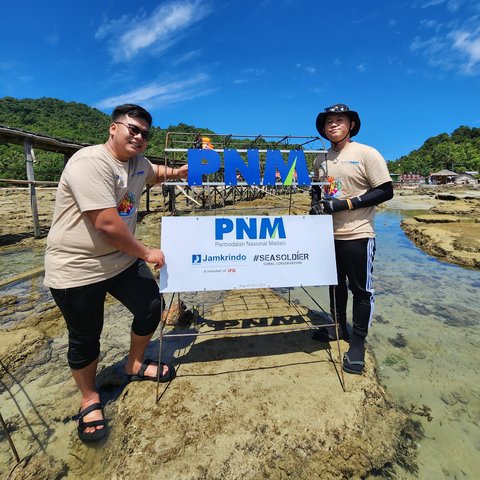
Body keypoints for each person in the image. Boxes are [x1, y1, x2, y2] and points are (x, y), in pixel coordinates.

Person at [44, 104, 188, 442]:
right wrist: (147, 252)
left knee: (151, 305)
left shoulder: (138, 162)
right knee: (85, 335)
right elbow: (107, 223)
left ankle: (134, 364)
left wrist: (178, 173)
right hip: (77, 266)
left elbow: (155, 172)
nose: (139, 137)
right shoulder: (90, 162)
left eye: (145, 133)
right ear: (113, 128)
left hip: (119, 261)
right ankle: (89, 398)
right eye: (132, 129)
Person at [310, 104, 393, 375]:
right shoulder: (319, 159)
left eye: (339, 120)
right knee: (335, 285)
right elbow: (316, 192)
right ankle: (337, 327)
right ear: (323, 129)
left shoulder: (367, 153)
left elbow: (385, 191)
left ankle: (357, 341)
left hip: (358, 233)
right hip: (328, 235)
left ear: (351, 125)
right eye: (328, 122)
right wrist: (314, 207)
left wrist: (345, 205)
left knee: (361, 290)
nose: (332, 125)